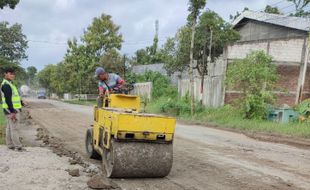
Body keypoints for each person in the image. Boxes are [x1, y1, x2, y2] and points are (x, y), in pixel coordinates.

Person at [1, 68, 25, 151]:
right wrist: (12, 112)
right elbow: (8, 99)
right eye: (10, 73)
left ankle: (10, 145)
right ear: (5, 74)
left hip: (9, 109)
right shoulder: (6, 85)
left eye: (13, 74)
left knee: (9, 127)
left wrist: (21, 103)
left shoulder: (10, 84)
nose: (12, 75)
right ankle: (18, 147)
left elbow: (15, 97)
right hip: (11, 110)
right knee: (14, 128)